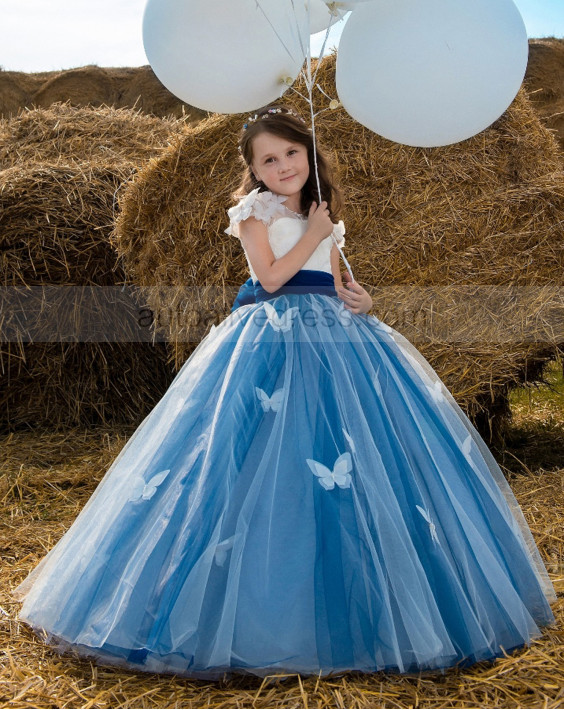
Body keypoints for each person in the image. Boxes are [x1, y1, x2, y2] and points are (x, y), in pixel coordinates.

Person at [12, 106, 557, 682]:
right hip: (273, 339)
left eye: (291, 153)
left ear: (310, 153)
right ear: (253, 170)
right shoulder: (254, 212)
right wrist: (317, 235)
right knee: (261, 453)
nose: (283, 166)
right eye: (268, 159)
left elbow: (336, 277)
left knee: (349, 451)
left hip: (339, 340)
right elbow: (270, 278)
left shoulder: (323, 213)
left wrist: (359, 296)